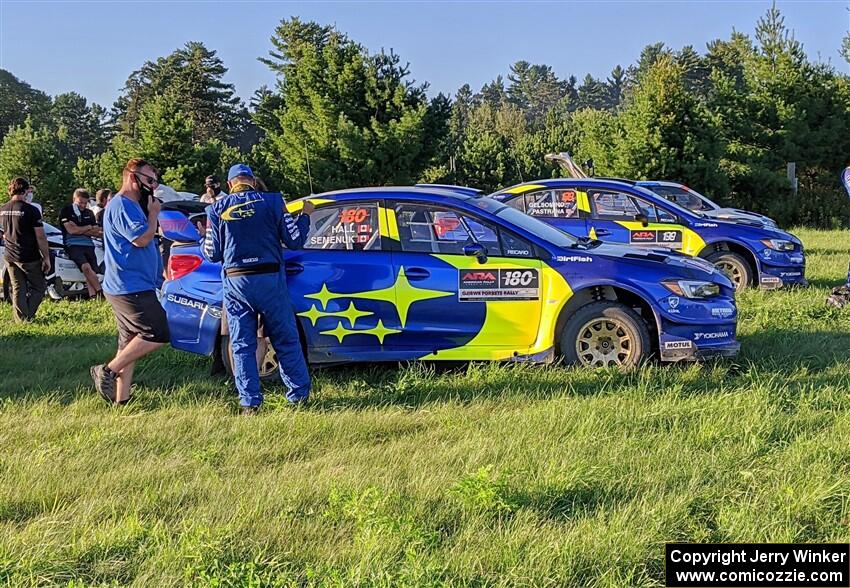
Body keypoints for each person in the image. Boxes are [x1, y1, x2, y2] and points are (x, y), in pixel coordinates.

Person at [203, 164, 313, 414]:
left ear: (230, 185)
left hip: (237, 283)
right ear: (252, 181)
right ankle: (298, 398)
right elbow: (294, 239)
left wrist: (202, 239)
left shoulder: (216, 209)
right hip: (270, 279)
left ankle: (249, 403)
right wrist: (305, 216)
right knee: (285, 339)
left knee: (242, 344)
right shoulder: (274, 201)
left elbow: (211, 253)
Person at [90, 159, 170, 405]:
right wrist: (154, 214)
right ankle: (107, 370)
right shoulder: (122, 205)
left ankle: (121, 400)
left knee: (129, 344)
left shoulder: (134, 205)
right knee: (158, 333)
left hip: (133, 283)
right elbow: (141, 239)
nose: (152, 185)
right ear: (132, 177)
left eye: (154, 180)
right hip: (129, 286)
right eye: (149, 180)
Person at [0, 177, 51, 321]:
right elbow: (40, 236)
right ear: (25, 191)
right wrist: (46, 257)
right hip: (28, 256)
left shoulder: (2, 210)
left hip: (9, 255)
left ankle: (21, 319)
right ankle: (28, 316)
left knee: (18, 288)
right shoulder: (31, 210)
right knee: (39, 287)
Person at [58, 188, 103, 298]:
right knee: (86, 268)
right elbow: (71, 231)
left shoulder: (89, 212)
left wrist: (79, 229)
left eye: (85, 203)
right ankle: (100, 292)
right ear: (74, 199)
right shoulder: (66, 211)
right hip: (72, 244)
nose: (83, 205)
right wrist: (88, 227)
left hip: (89, 244)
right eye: (80, 203)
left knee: (90, 272)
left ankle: (93, 296)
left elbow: (97, 231)